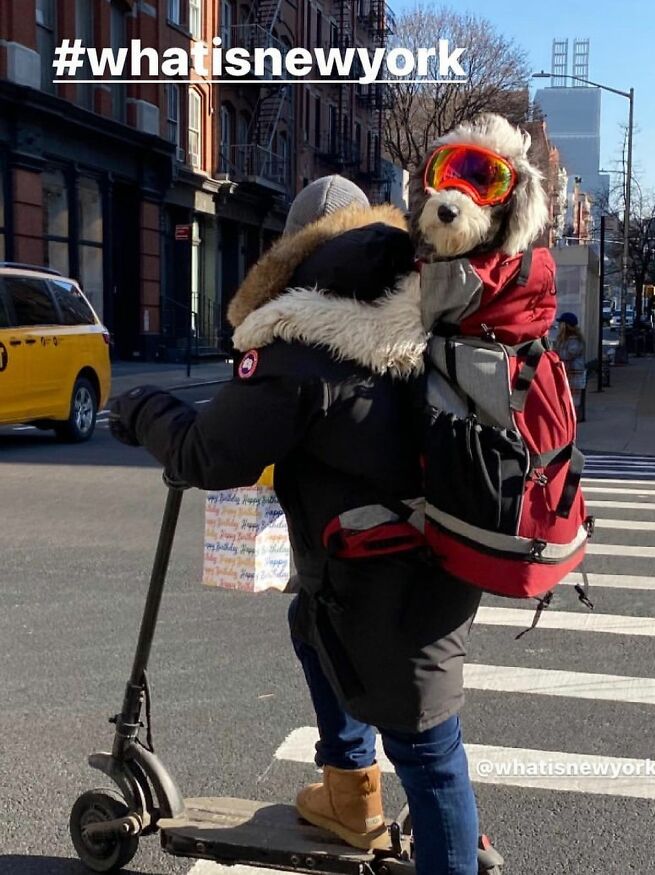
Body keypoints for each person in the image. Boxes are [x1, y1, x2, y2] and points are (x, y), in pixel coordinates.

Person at [109, 175, 483, 875]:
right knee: (311, 625)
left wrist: (141, 409)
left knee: (430, 752)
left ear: (297, 251)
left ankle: (429, 846)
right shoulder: (420, 308)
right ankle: (349, 790)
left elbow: (207, 454)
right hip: (432, 555)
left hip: (385, 577)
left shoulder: (306, 340)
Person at [554, 312, 587, 419]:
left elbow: (569, 354)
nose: (559, 326)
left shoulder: (575, 340)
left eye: (561, 324)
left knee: (574, 399)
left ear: (565, 325)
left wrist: (556, 353)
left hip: (575, 373)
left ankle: (573, 418)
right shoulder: (563, 339)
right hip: (567, 372)